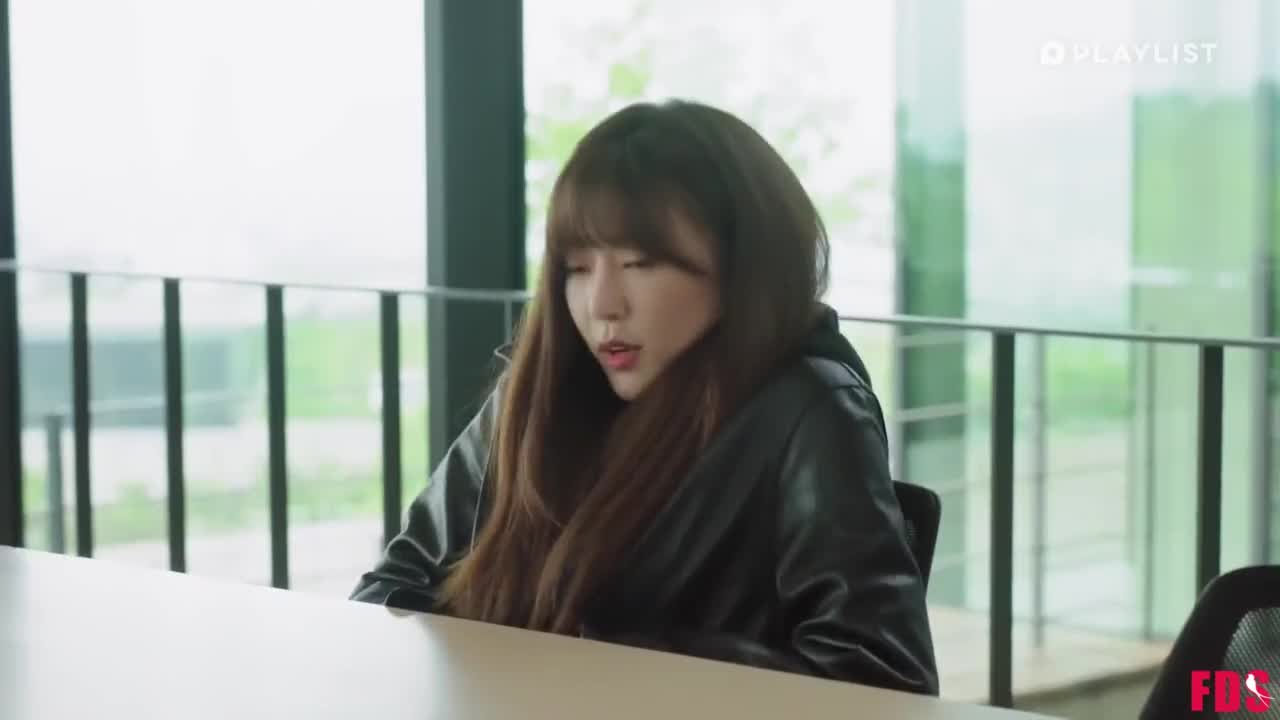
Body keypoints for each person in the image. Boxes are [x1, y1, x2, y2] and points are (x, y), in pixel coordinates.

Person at [350, 99, 938, 696]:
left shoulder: (810, 409)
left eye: (640, 263)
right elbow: (391, 590)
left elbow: (880, 682)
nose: (602, 303)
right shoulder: (537, 395)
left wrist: (612, 663)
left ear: (742, 266)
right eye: (578, 268)